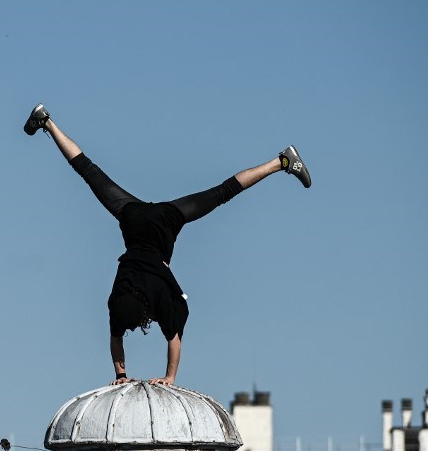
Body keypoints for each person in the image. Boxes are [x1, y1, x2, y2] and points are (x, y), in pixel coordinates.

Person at [24, 104, 311, 387]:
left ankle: (282, 162)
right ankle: (47, 121)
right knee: (89, 171)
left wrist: (169, 377)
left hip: (163, 222)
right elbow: (118, 340)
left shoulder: (157, 297)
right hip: (133, 218)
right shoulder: (117, 300)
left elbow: (173, 339)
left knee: (222, 193)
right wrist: (120, 375)